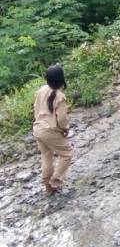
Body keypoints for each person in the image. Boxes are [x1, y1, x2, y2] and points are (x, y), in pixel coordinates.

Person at [33, 65, 73, 195]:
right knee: (67, 154)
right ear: (61, 78)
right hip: (49, 130)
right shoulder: (60, 96)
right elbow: (62, 119)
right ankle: (55, 181)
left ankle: (48, 187)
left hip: (37, 128)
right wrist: (65, 129)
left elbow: (36, 108)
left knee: (46, 156)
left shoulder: (42, 90)